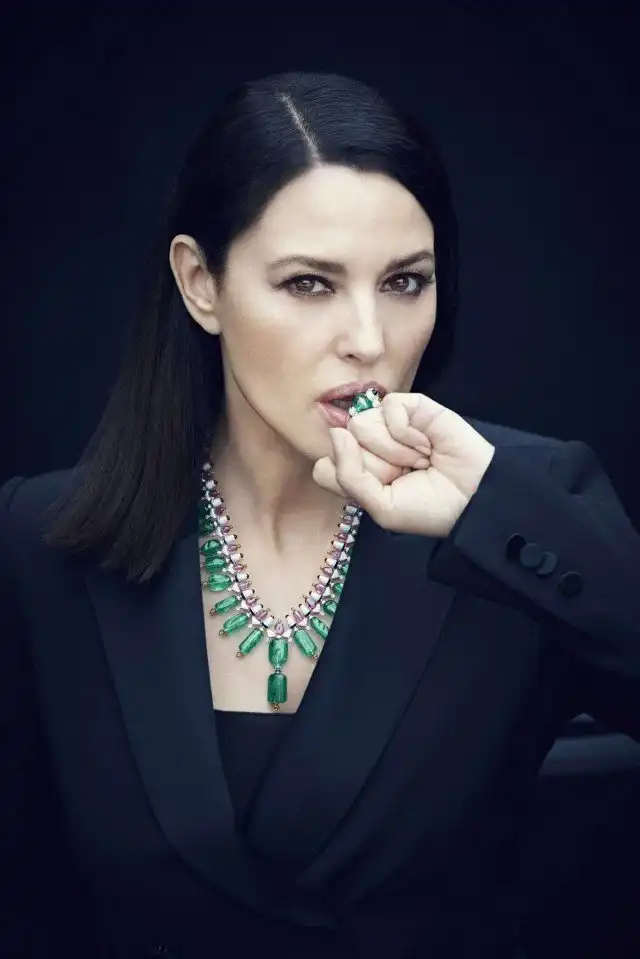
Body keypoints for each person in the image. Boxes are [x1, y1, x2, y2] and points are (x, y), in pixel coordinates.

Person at [1, 69, 639, 959]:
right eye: (310, 284)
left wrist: (494, 514)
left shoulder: (524, 512)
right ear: (201, 282)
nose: (369, 340)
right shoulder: (40, 541)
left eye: (406, 282)